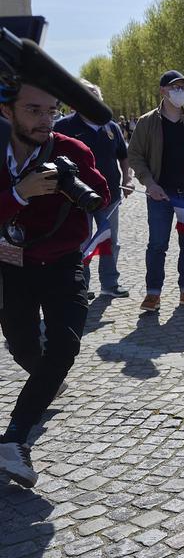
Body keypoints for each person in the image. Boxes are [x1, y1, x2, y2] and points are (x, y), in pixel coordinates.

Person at [0, 81, 111, 488]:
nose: (45, 120)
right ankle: (47, 380)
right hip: (11, 265)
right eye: (33, 110)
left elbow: (102, 194)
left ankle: (14, 438)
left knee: (64, 343)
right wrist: (18, 192)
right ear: (7, 111)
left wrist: (75, 180)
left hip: (64, 263)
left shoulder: (72, 149)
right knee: (23, 343)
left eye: (51, 111)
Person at [127, 70, 184, 313]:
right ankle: (152, 294)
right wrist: (149, 183)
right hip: (160, 194)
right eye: (175, 87)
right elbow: (134, 155)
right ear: (163, 91)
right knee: (157, 245)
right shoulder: (147, 122)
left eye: (183, 87)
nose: (181, 92)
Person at [53, 78, 132, 299]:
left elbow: (123, 157)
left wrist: (127, 178)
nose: (90, 99)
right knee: (82, 242)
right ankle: (82, 286)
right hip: (77, 198)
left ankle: (110, 284)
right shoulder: (63, 126)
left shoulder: (112, 126)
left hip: (111, 196)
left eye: (93, 95)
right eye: (84, 95)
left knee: (110, 241)